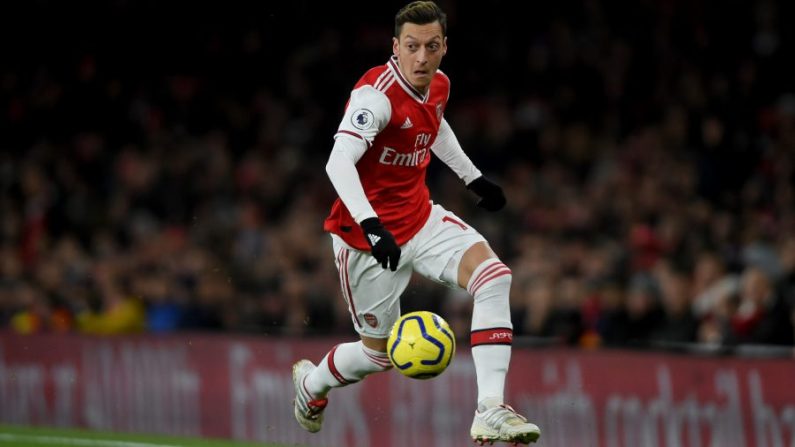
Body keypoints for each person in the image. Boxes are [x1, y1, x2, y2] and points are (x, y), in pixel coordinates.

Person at [291, 1, 541, 444]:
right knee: (377, 356)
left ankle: (489, 410)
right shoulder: (376, 97)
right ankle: (312, 386)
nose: (421, 57)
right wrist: (371, 225)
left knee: (494, 277)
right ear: (395, 47)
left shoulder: (439, 85)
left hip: (420, 219)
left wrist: (472, 177)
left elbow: (435, 127)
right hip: (366, 244)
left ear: (445, 46)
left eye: (431, 46)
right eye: (411, 47)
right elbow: (338, 161)